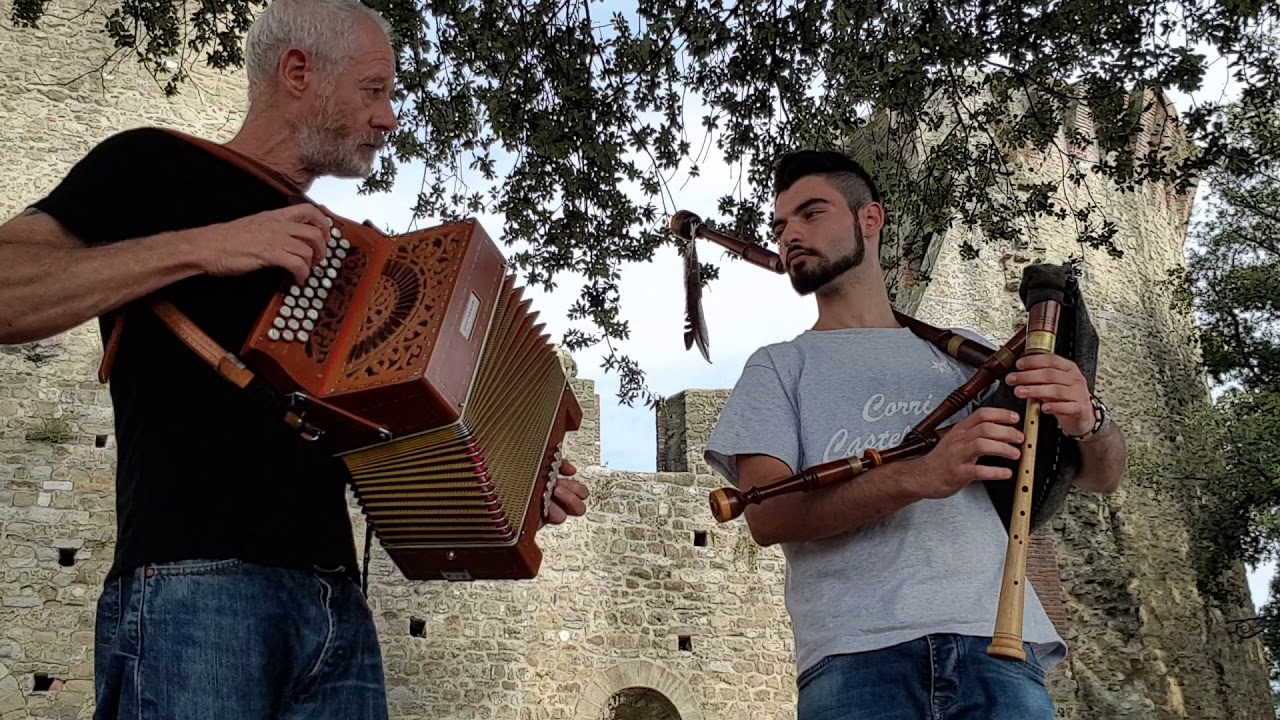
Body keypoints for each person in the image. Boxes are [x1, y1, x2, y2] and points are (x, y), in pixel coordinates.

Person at [0, 1, 590, 718]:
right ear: (299, 72)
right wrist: (203, 247)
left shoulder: (351, 250)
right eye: (374, 91)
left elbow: (380, 441)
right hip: (197, 593)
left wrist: (520, 480)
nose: (389, 119)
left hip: (338, 610)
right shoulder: (151, 165)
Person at [703, 150, 1126, 720]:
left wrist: (1087, 420)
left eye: (811, 214)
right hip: (854, 657)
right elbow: (769, 516)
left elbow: (1103, 476)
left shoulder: (966, 352)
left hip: (999, 644)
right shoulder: (778, 367)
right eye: (780, 227)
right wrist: (920, 476)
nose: (790, 236)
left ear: (869, 219)